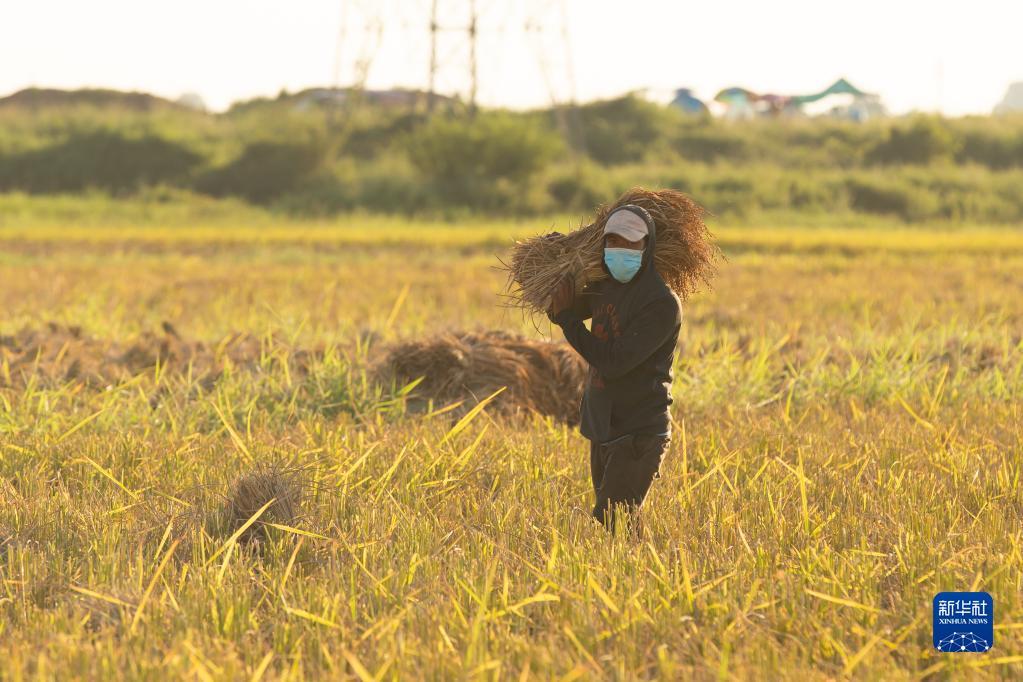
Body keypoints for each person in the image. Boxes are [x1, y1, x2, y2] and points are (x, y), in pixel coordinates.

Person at [545, 205, 682, 535]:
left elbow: (614, 362)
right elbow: (561, 310)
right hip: (603, 425)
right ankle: (639, 576)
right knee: (621, 526)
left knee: (611, 521)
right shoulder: (605, 286)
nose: (620, 250)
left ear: (646, 248)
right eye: (612, 241)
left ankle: (630, 578)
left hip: (638, 431)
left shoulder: (661, 303)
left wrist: (567, 319)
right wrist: (557, 264)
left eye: (630, 244)